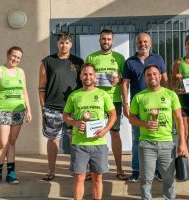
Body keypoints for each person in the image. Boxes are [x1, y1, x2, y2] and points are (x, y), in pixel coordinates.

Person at [129, 64, 188, 200]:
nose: (152, 77)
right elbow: (132, 118)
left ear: (160, 76)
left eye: (155, 74)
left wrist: (182, 142)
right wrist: (144, 123)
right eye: (148, 75)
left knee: (169, 179)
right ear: (144, 78)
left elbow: (179, 120)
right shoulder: (138, 97)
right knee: (146, 179)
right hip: (146, 144)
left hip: (167, 143)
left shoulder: (170, 94)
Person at [63, 63, 117, 200]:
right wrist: (75, 122)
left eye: (91, 74)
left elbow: (113, 115)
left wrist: (105, 130)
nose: (88, 77)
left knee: (97, 178)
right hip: (79, 143)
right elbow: (65, 116)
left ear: (95, 76)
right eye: (85, 74)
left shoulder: (103, 94)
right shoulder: (74, 95)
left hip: (98, 143)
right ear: (81, 76)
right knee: (79, 178)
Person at [122, 32, 168, 182]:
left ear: (151, 43)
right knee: (138, 140)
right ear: (136, 44)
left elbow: (165, 80)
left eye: (145, 41)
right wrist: (126, 104)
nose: (143, 44)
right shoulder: (130, 62)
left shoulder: (158, 59)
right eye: (140, 42)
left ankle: (157, 170)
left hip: (159, 107)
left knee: (158, 139)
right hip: (139, 107)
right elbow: (125, 84)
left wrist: (169, 100)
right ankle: (136, 170)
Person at [38, 32, 84, 181]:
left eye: (67, 43)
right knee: (53, 140)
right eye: (61, 43)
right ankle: (51, 170)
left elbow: (85, 84)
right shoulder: (47, 61)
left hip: (73, 109)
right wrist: (43, 107)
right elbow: (41, 86)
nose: (64, 45)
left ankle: (77, 169)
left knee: (75, 140)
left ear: (71, 44)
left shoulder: (78, 62)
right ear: (57, 44)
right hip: (52, 108)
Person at [0, 46, 32, 185]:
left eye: (18, 58)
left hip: (18, 111)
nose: (16, 59)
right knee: (3, 142)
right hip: (2, 110)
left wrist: (28, 110)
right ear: (8, 55)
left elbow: (24, 92)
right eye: (14, 56)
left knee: (12, 142)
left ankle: (11, 173)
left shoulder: (21, 72)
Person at [85, 29, 127, 180]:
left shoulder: (119, 58)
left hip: (114, 100)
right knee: (93, 134)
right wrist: (92, 81)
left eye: (109, 39)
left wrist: (119, 80)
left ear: (113, 41)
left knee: (115, 133)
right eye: (103, 39)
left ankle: (120, 169)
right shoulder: (91, 57)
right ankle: (92, 169)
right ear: (99, 40)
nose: (106, 41)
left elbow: (125, 80)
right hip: (95, 101)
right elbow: (86, 76)